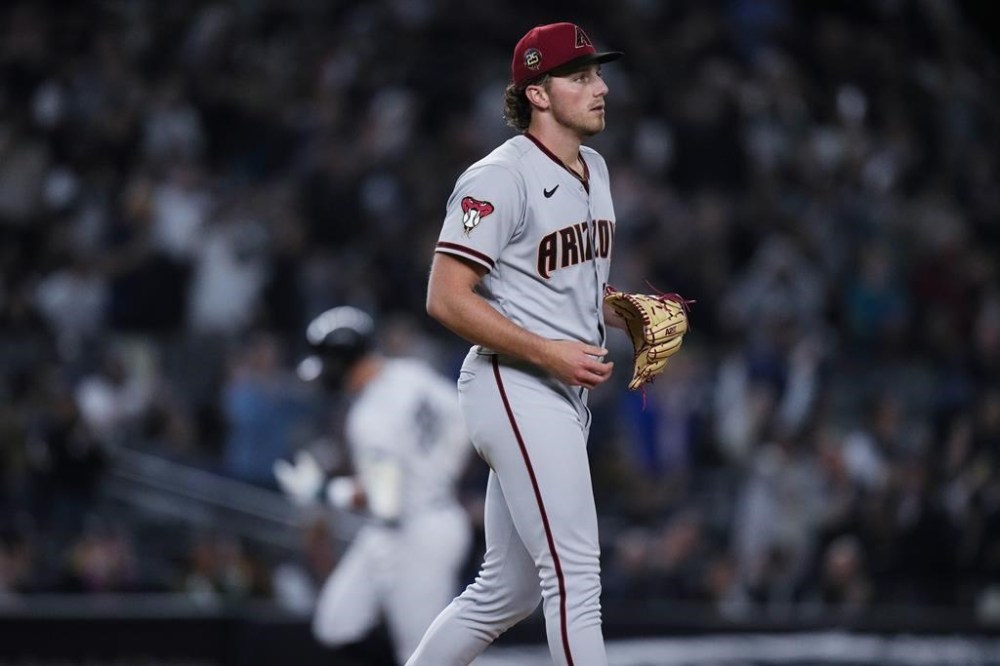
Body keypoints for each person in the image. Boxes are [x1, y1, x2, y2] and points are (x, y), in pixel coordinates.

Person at [406, 22, 627, 666]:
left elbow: (564, 288)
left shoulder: (596, 168)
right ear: (536, 91)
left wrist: (629, 313)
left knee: (506, 592)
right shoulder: (499, 177)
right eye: (580, 76)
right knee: (577, 578)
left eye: (597, 73)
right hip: (514, 383)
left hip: (555, 388)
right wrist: (549, 351)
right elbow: (446, 296)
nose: (600, 87)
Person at [273, 305, 472, 665]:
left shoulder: (369, 418)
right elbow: (465, 422)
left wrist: (321, 491)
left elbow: (384, 501)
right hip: (409, 524)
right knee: (336, 624)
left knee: (422, 656)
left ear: (338, 362)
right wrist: (442, 473)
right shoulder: (411, 372)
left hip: (419, 533)